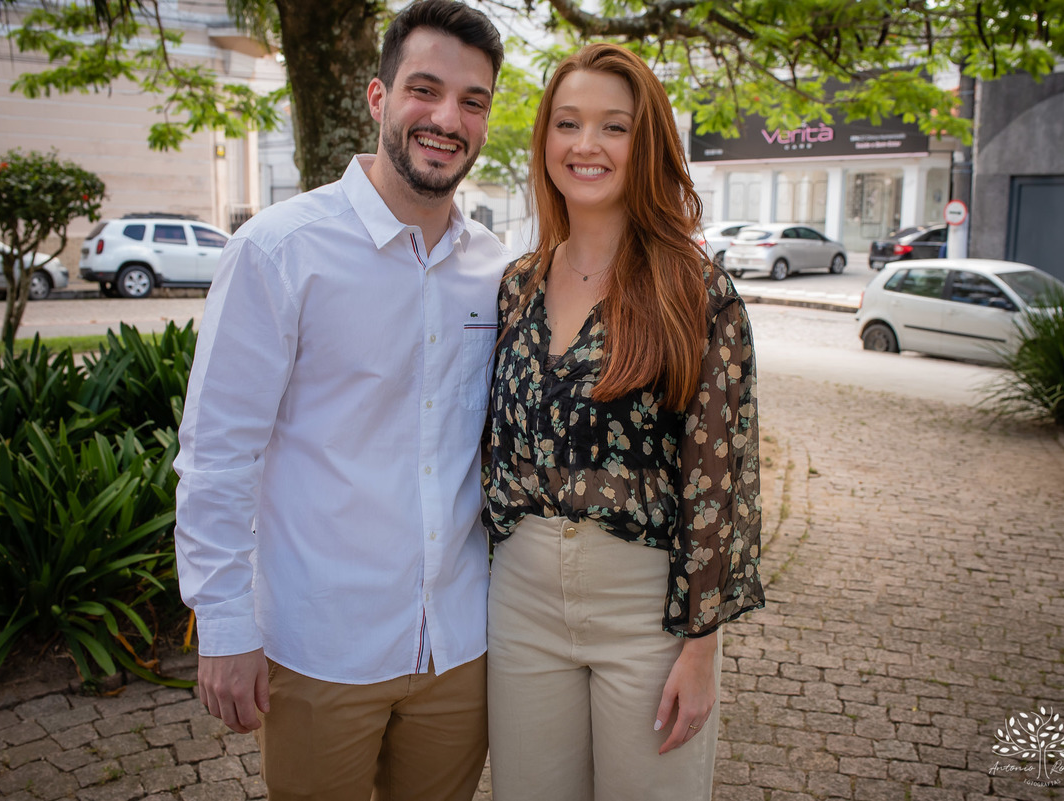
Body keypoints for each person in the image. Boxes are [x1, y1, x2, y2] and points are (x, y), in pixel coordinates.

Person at [172, 2, 505, 799]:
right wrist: (222, 624)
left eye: (472, 100)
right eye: (424, 89)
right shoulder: (280, 250)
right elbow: (219, 450)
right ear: (378, 97)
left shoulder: (496, 268)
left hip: (459, 648)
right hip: (322, 643)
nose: (446, 118)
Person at [482, 43, 765, 801]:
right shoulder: (517, 286)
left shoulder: (693, 289)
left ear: (647, 145)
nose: (586, 145)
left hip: (646, 606)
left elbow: (718, 477)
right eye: (568, 123)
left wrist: (701, 645)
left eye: (614, 127)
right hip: (521, 599)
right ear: (544, 141)